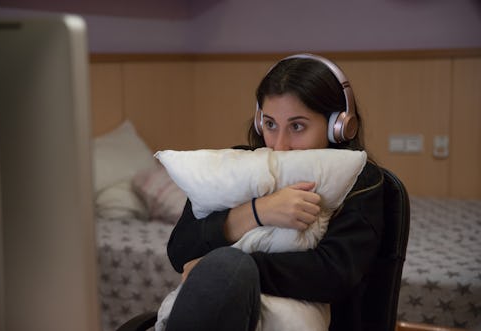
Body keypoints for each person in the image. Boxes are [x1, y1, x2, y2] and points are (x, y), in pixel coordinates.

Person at [164, 53, 384, 331]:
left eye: (297, 126)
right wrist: (258, 212)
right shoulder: (237, 168)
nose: (280, 145)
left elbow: (333, 275)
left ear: (338, 127)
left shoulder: (361, 180)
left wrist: (230, 270)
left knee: (226, 264)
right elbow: (180, 251)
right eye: (270, 124)